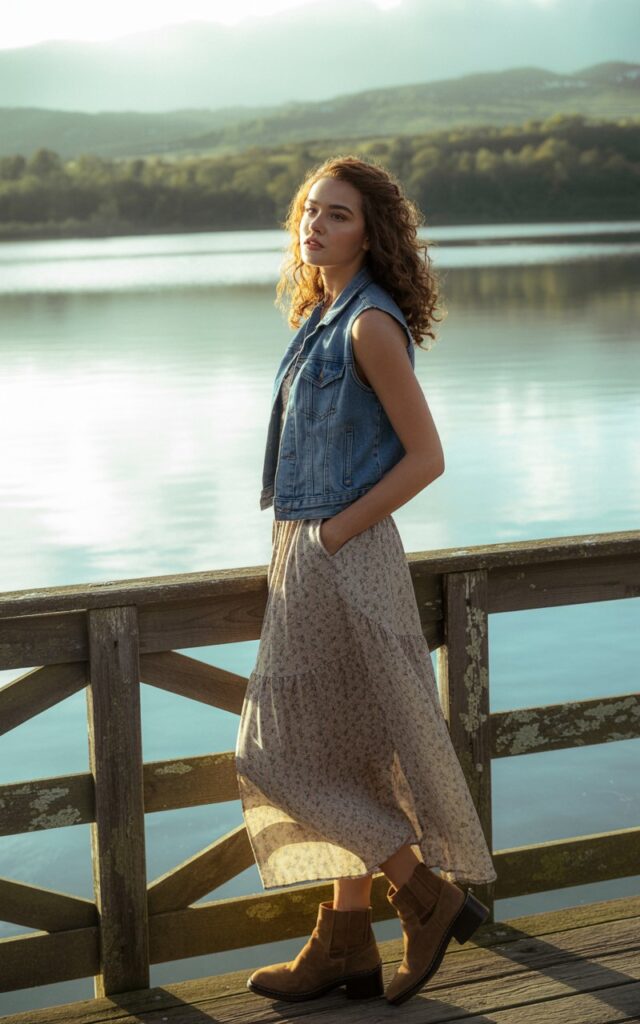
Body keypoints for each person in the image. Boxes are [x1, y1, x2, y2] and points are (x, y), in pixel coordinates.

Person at [235, 155, 497, 1007]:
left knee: (267, 753)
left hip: (340, 555)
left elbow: (428, 457)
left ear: (370, 234)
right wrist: (308, 542)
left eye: (338, 214)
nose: (316, 225)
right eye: (311, 210)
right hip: (314, 550)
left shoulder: (368, 326)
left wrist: (330, 538)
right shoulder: (322, 316)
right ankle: (345, 943)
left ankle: (423, 893)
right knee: (343, 752)